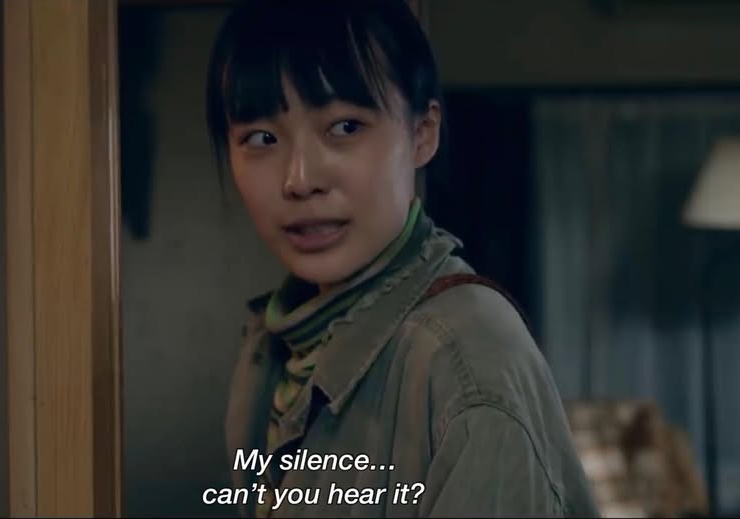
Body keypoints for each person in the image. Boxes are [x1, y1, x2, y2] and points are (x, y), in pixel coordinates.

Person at [205, 1, 599, 517]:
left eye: (345, 127)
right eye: (262, 138)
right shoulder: (278, 344)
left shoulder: (466, 359)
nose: (299, 179)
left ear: (422, 133)